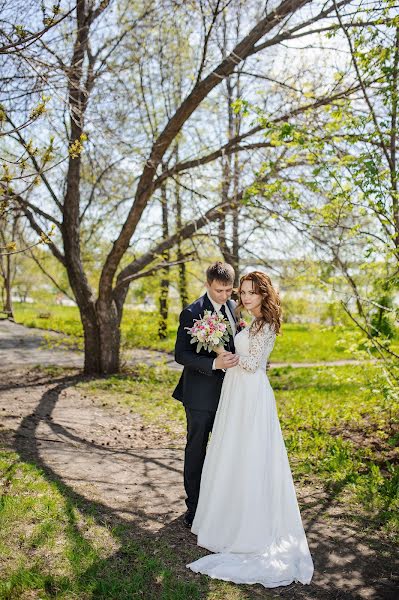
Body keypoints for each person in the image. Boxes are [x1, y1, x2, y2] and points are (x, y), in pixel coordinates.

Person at [186, 271, 314, 588]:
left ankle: (248, 526)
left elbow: (252, 363)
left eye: (252, 293)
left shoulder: (265, 323)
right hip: (236, 391)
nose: (245, 297)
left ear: (263, 295)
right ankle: (224, 517)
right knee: (230, 452)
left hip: (251, 392)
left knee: (249, 454)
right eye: (242, 292)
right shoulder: (249, 321)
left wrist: (217, 350)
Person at [173, 261, 240, 528]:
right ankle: (194, 508)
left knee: (223, 451)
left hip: (230, 395)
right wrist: (213, 364)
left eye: (228, 291)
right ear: (207, 284)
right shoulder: (192, 313)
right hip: (199, 397)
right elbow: (181, 354)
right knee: (197, 451)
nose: (224, 296)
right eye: (219, 290)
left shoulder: (234, 309)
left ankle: (218, 504)